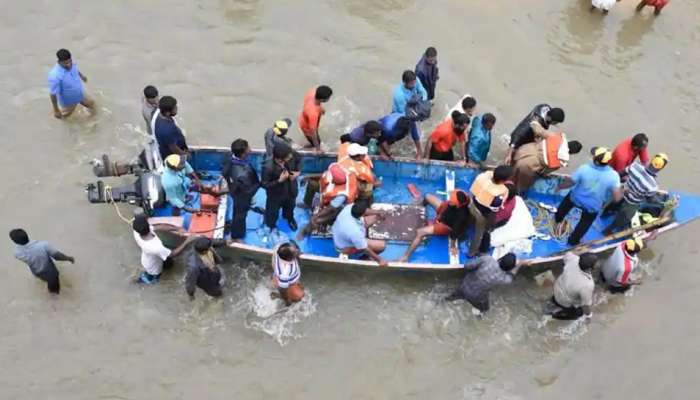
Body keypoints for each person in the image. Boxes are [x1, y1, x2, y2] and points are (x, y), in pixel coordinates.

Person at [554, 147, 622, 245]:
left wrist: (560, 187)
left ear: (595, 159)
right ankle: (573, 240)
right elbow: (616, 198)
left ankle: (557, 219)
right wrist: (622, 191)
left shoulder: (584, 168)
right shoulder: (614, 176)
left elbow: (571, 182)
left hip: (576, 198)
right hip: (593, 205)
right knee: (586, 221)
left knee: (566, 203)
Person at [398, 190, 471, 263]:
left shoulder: (461, 217)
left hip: (446, 225)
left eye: (451, 201)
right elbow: (450, 203)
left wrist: (452, 246)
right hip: (444, 211)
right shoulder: (459, 199)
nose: (449, 200)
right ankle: (419, 207)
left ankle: (406, 256)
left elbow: (454, 234)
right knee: (427, 196)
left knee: (420, 232)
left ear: (457, 204)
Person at [603, 154, 668, 235]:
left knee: (613, 203)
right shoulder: (653, 186)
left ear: (651, 161)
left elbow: (621, 174)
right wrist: (659, 202)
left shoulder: (635, 166)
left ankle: (604, 213)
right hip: (632, 202)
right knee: (625, 218)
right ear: (660, 168)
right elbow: (649, 199)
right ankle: (609, 229)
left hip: (623, 191)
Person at [511, 122, 583, 194]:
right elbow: (543, 171)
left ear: (568, 142)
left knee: (508, 169)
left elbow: (539, 130)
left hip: (523, 150)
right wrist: (542, 176)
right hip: (527, 165)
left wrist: (535, 123)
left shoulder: (555, 137)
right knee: (521, 183)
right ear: (572, 153)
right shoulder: (561, 160)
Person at [297, 163, 359, 240]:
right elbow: (325, 175)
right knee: (312, 184)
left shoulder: (342, 194)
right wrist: (308, 176)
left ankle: (306, 230)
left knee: (316, 220)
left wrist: (315, 216)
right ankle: (307, 203)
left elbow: (330, 208)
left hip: (341, 208)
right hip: (329, 196)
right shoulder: (342, 171)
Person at [445, 253, 521, 313]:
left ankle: (443, 302)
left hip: (464, 287)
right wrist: (520, 264)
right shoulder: (503, 278)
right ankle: (478, 316)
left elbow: (467, 266)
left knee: (451, 298)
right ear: (510, 268)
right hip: (476, 298)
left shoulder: (487, 259)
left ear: (501, 259)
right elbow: (512, 276)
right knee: (485, 309)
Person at [10, 229, 75, 294]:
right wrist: (69, 258)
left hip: (36, 273)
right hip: (51, 274)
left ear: (15, 242)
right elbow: (57, 257)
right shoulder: (43, 245)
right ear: (27, 235)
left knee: (47, 284)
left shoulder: (17, 253)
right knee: (55, 295)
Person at [131, 216, 193, 284]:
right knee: (150, 280)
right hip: (153, 270)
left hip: (151, 258)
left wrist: (177, 229)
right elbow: (172, 254)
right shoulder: (156, 247)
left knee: (169, 264)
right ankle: (137, 282)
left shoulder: (137, 233)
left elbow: (159, 227)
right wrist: (187, 241)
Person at [468, 165, 512, 256]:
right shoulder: (498, 196)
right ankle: (472, 252)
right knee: (479, 235)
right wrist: (489, 227)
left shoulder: (482, 177)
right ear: (502, 181)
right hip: (481, 214)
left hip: (471, 204)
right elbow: (493, 213)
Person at [222, 139, 260, 241]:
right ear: (243, 154)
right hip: (242, 196)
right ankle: (237, 235)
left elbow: (224, 172)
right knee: (240, 216)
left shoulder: (230, 158)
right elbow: (248, 192)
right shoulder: (243, 174)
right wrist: (260, 184)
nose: (250, 149)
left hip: (234, 190)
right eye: (248, 148)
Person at [332, 201, 388, 267]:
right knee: (382, 246)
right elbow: (365, 248)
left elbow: (364, 210)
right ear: (361, 214)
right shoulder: (355, 232)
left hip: (346, 230)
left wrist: (378, 212)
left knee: (377, 216)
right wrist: (380, 260)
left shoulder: (349, 207)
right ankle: (364, 258)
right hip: (344, 247)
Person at [47, 48, 94, 119]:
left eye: (70, 61)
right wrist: (56, 110)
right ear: (59, 62)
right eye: (66, 63)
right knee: (63, 117)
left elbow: (75, 70)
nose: (69, 65)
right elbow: (53, 94)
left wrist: (82, 76)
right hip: (69, 101)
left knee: (92, 105)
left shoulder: (72, 64)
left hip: (80, 94)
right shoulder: (54, 75)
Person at [548, 252, 596, 320]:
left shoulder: (573, 259)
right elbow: (585, 305)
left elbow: (567, 254)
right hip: (564, 301)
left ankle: (550, 307)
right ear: (592, 267)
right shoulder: (587, 285)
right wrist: (589, 315)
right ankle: (554, 316)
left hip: (556, 289)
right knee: (577, 315)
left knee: (554, 301)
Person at [262, 144, 299, 231]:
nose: (291, 156)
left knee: (290, 208)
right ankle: (271, 225)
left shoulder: (291, 158)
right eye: (288, 156)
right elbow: (265, 185)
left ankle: (289, 219)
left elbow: (299, 160)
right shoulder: (267, 167)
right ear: (279, 158)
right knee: (272, 213)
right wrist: (279, 181)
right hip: (275, 196)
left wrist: (297, 172)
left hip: (290, 191)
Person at [299, 85, 333, 152]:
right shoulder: (313, 113)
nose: (329, 98)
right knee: (316, 142)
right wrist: (318, 149)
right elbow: (313, 132)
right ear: (323, 99)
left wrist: (320, 109)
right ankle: (307, 148)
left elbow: (315, 104)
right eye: (328, 98)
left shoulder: (312, 93)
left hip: (304, 117)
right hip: (306, 127)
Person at [153, 96, 188, 160]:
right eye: (174, 108)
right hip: (172, 156)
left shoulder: (162, 116)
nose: (177, 108)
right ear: (167, 113)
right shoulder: (167, 130)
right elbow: (173, 148)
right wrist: (183, 155)